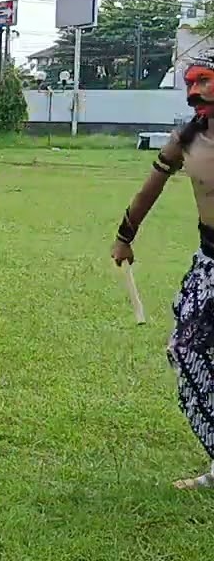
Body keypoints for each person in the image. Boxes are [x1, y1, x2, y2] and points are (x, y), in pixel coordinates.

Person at [112, 50, 214, 490]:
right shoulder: (187, 140)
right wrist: (125, 234)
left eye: (205, 80)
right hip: (211, 262)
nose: (195, 92)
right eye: (190, 83)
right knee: (187, 351)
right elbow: (150, 187)